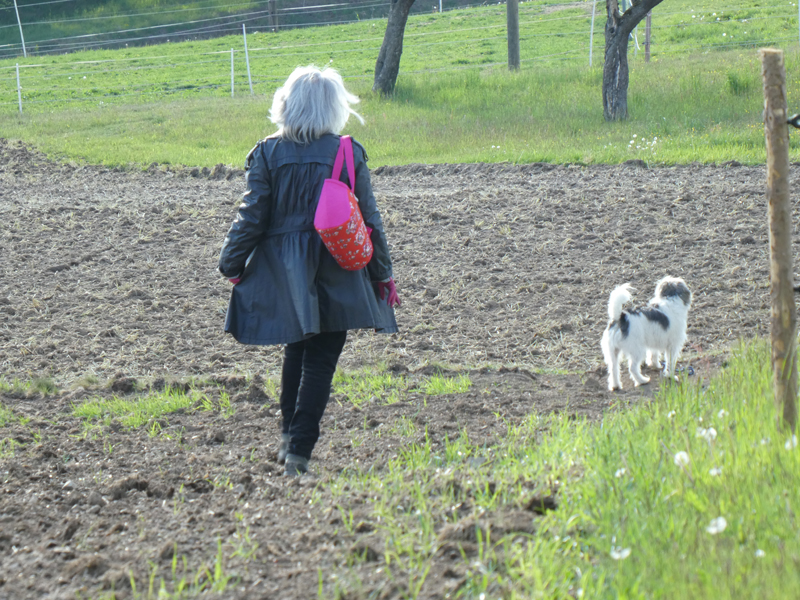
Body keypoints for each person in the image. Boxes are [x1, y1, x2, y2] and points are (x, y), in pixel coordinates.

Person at [218, 65, 400, 477]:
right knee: (319, 362)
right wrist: (382, 276)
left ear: (287, 103)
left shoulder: (266, 153)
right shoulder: (347, 153)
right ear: (334, 108)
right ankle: (299, 452)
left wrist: (231, 263)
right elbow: (370, 222)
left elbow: (251, 217)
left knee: (297, 351)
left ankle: (288, 441)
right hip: (337, 269)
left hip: (285, 272)